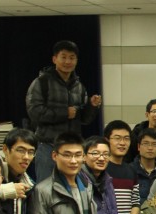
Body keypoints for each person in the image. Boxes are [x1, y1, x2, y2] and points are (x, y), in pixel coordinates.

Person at [26, 40, 101, 182]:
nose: (68, 61)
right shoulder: (42, 82)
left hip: (73, 148)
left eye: (72, 58)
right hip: (48, 146)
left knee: (72, 188)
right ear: (55, 59)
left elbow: (84, 119)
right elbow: (34, 112)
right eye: (64, 57)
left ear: (76, 61)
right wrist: (64, 113)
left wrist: (91, 106)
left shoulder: (79, 86)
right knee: (46, 188)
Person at [133, 127, 156, 202]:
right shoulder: (129, 171)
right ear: (138, 147)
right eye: (146, 144)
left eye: (154, 144)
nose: (150, 148)